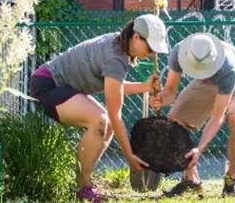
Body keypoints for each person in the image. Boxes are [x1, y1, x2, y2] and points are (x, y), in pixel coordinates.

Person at [29, 14, 168, 202]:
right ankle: (83, 187)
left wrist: (144, 87)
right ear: (136, 37)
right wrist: (129, 156)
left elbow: (114, 86)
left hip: (61, 87)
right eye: (150, 47)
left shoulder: (119, 46)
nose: (152, 53)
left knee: (107, 125)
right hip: (47, 85)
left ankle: (84, 184)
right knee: (101, 120)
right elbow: (114, 112)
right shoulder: (115, 57)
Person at [149, 32, 235, 197]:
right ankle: (192, 181)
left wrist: (199, 149)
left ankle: (231, 179)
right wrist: (161, 99)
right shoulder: (178, 53)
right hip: (207, 80)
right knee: (174, 122)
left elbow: (217, 116)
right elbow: (170, 91)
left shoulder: (227, 67)